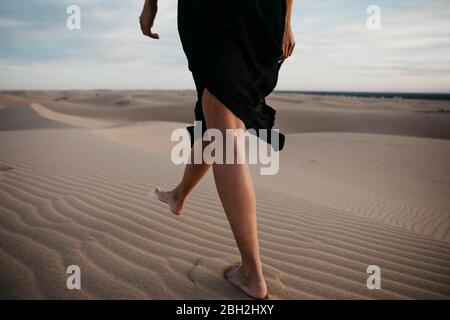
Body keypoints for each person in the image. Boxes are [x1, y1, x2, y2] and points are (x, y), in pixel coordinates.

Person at [140, 0, 295, 299]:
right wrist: (286, 21)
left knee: (223, 124)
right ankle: (178, 195)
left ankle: (251, 273)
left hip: (214, 11)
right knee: (214, 111)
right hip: (264, 12)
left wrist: (150, 4)